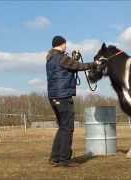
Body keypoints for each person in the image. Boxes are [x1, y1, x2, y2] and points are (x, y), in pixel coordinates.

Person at [46, 35, 95, 167]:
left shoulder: (50, 58)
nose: (66, 46)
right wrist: (95, 64)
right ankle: (65, 159)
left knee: (62, 127)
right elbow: (78, 66)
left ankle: (55, 158)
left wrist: (72, 59)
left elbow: (68, 67)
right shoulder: (61, 58)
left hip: (53, 97)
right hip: (63, 96)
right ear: (61, 44)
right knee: (68, 128)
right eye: (65, 44)